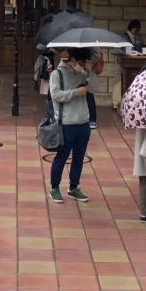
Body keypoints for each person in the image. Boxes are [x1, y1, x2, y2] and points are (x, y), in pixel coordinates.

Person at [48, 47, 93, 203]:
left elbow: (94, 90)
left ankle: (73, 187)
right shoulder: (57, 74)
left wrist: (90, 73)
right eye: (81, 62)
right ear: (72, 60)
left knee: (79, 158)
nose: (82, 65)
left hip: (83, 123)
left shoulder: (82, 73)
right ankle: (54, 188)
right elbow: (55, 95)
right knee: (62, 157)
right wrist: (75, 92)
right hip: (66, 123)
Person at [35, 44, 55, 126]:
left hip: (60, 67)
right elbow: (39, 46)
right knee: (50, 93)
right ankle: (48, 115)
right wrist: (50, 49)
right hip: (51, 66)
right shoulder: (49, 38)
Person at [86, 50, 104, 129]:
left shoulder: (90, 39)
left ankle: (92, 119)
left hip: (87, 70)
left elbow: (97, 54)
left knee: (88, 93)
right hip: (81, 68)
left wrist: (89, 63)